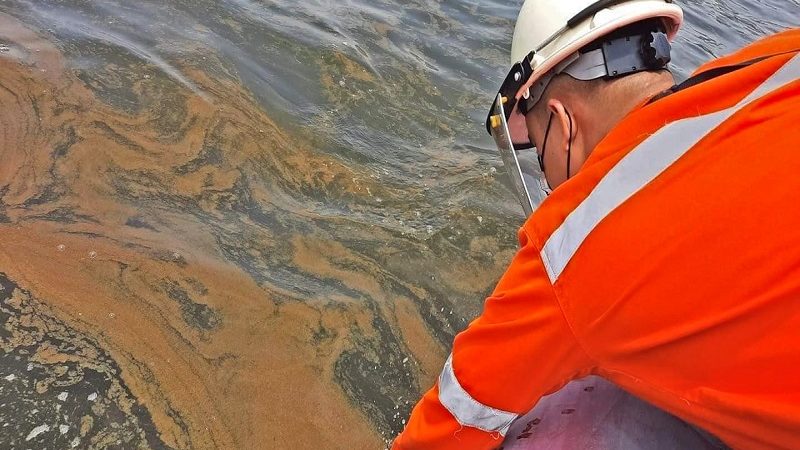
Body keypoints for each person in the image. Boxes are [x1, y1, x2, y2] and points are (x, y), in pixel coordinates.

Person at [393, 0, 800, 448]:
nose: (550, 184)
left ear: (562, 123)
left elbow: (451, 423)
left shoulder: (581, 247)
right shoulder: (769, 65)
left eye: (542, 157)